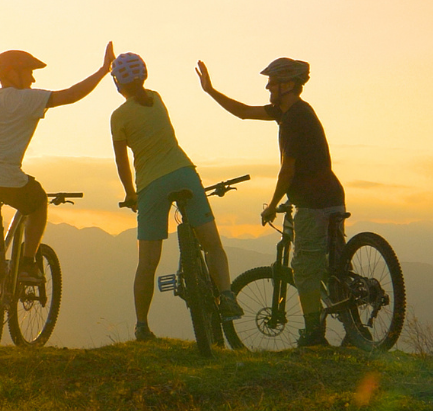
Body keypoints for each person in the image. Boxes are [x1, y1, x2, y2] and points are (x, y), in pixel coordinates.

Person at [0, 43, 115, 350]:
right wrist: (103, 71)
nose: (33, 79)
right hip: (6, 179)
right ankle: (29, 261)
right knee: (37, 201)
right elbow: (70, 95)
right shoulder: (25, 99)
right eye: (29, 72)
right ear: (12, 73)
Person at [195, 56, 345, 347]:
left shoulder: (293, 120)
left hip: (313, 203)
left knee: (304, 269)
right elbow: (243, 112)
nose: (267, 87)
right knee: (332, 266)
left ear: (288, 85)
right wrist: (210, 91)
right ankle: (355, 328)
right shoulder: (292, 112)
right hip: (331, 196)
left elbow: (287, 169)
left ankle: (314, 336)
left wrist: (273, 203)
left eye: (272, 83)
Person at [109, 52, 241, 342]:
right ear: (144, 75)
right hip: (183, 173)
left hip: (150, 186)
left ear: (117, 82)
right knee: (212, 245)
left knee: (147, 262)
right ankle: (227, 295)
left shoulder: (118, 116)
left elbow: (121, 161)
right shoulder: (156, 98)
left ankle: (142, 326)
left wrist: (130, 194)